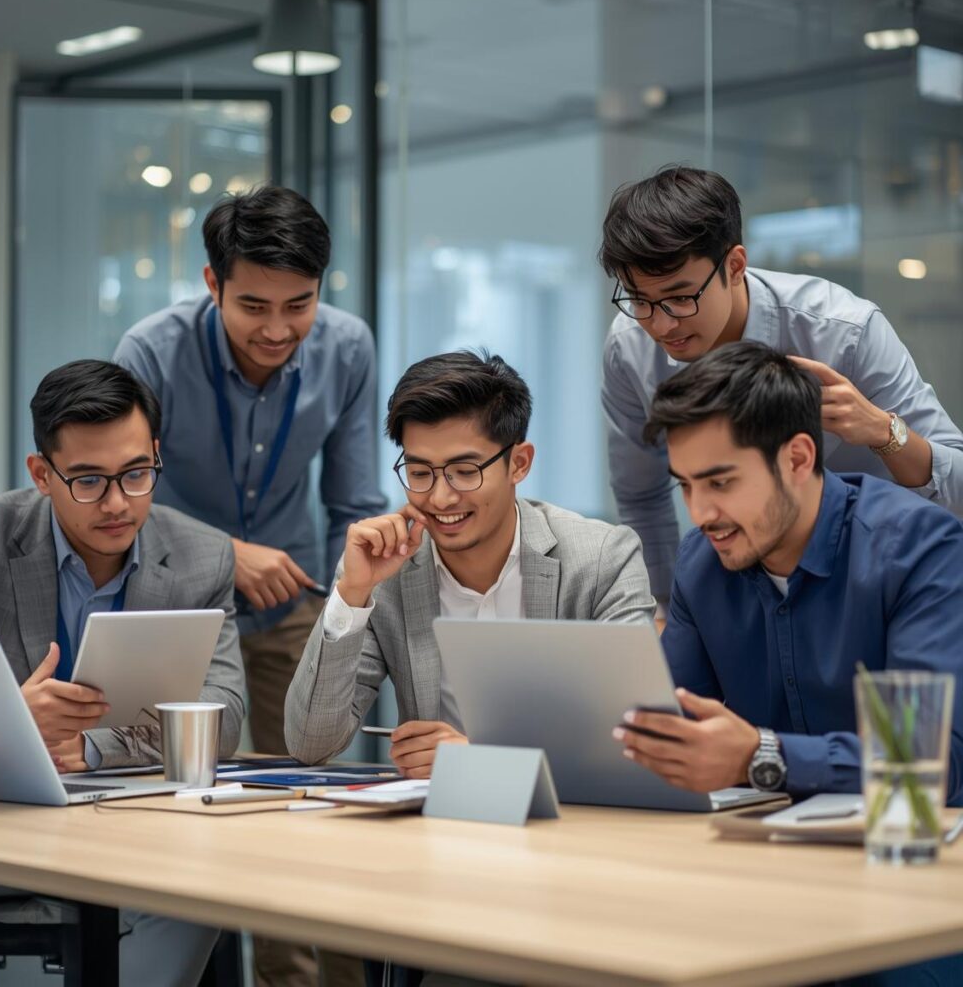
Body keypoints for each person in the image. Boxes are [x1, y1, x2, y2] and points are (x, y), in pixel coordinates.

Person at [616, 341, 963, 987]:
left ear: (798, 458)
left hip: (913, 886)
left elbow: (926, 770)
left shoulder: (918, 550)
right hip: (764, 877)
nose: (701, 514)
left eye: (721, 482)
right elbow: (669, 725)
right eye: (685, 486)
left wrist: (761, 755)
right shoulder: (702, 564)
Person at [113, 185, 383, 987]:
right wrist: (228, 554)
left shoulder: (348, 347)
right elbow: (121, 496)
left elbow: (354, 502)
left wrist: (344, 619)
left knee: (317, 806)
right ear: (212, 283)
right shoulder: (150, 352)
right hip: (175, 608)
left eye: (299, 305)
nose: (277, 329)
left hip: (292, 600)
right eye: (253, 306)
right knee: (177, 806)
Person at [0, 359, 245, 987]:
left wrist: (95, 747)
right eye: (87, 481)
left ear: (156, 457)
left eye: (136, 474)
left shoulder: (202, 557)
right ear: (41, 474)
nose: (117, 503)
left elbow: (223, 717)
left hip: (133, 834)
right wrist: (11, 720)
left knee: (201, 888)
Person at [599, 165, 963, 604]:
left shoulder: (844, 332)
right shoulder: (630, 347)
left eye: (680, 298)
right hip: (745, 594)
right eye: (639, 300)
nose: (660, 325)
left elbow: (958, 488)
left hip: (882, 585)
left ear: (735, 265)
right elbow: (640, 494)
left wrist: (884, 432)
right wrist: (664, 605)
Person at [286, 350, 655, 770]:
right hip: (433, 809)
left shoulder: (603, 559)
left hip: (569, 807)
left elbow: (639, 739)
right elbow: (309, 743)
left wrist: (481, 757)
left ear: (518, 463)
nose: (441, 498)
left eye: (465, 471)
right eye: (420, 473)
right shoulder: (382, 570)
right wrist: (352, 595)